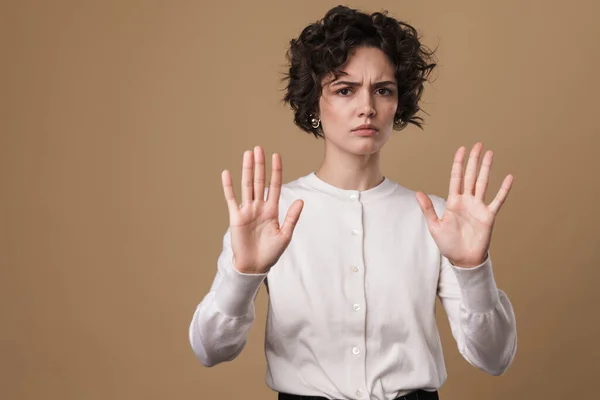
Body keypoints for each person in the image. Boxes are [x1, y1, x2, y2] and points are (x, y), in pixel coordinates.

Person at [188, 5, 517, 400]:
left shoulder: (438, 219)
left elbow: (495, 358)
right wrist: (243, 275)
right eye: (345, 90)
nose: (367, 107)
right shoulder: (267, 217)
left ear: (398, 104)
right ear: (314, 105)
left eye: (383, 90)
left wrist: (472, 268)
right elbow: (209, 350)